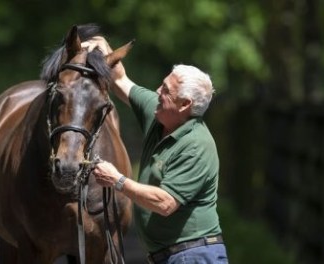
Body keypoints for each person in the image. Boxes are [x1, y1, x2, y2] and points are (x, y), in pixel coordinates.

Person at [84, 37, 228, 264]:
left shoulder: (196, 145)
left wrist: (118, 180)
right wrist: (105, 49)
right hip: (169, 256)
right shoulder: (161, 112)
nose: (157, 91)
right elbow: (121, 81)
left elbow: (165, 203)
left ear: (185, 104)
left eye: (166, 90)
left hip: (193, 255)